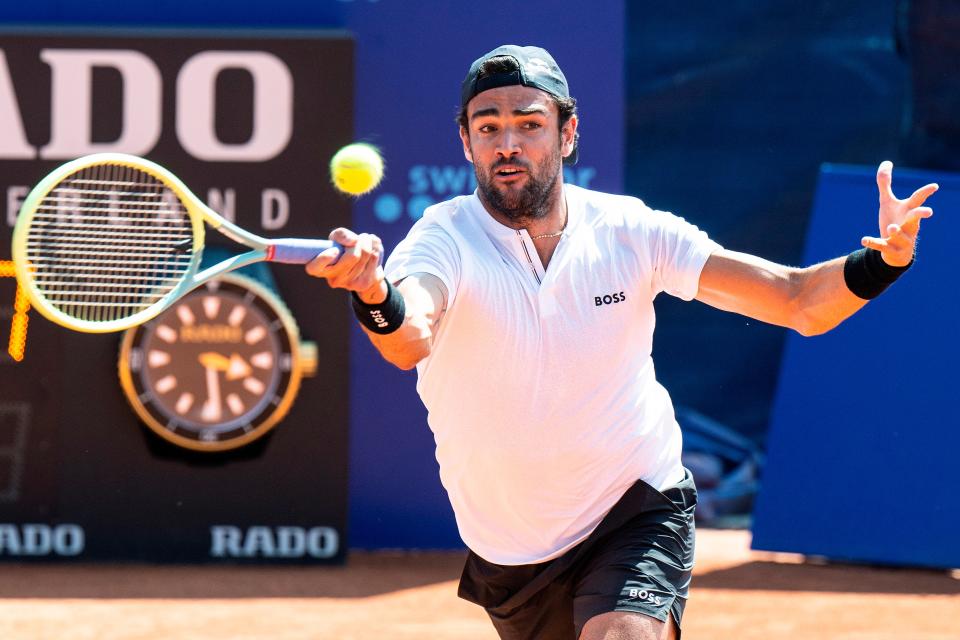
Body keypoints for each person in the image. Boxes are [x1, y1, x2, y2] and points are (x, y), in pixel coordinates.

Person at [305, 45, 938, 640]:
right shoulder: (441, 238)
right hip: (511, 552)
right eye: (489, 127)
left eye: (529, 124)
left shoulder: (631, 231)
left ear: (567, 133)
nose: (508, 144)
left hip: (635, 506)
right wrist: (374, 294)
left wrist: (879, 263)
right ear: (466, 141)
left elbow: (795, 300)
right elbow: (410, 335)